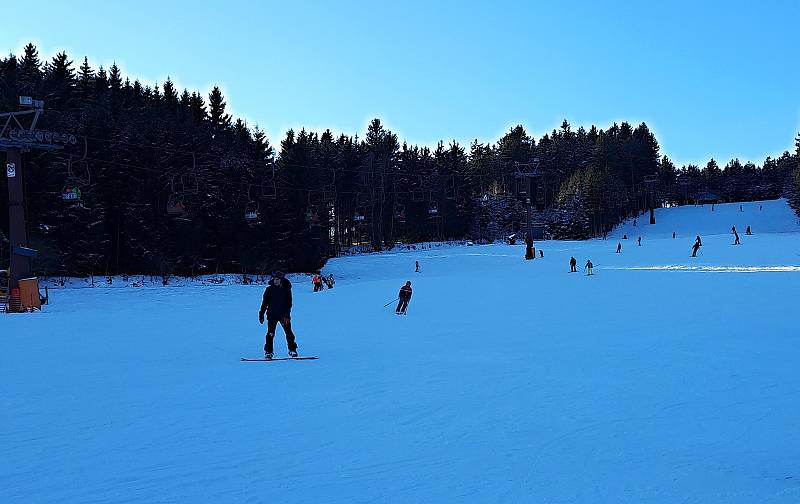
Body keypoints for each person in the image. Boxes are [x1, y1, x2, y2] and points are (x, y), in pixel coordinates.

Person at [258, 271, 299, 359]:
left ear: (281, 280)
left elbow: (289, 304)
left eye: (277, 279)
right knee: (270, 334)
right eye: (274, 279)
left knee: (288, 333)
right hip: (272, 315)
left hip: (283, 315)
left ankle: (292, 350)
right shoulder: (269, 290)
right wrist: (261, 314)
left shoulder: (286, 289)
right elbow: (264, 303)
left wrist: (287, 315)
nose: (275, 281)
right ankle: (268, 352)